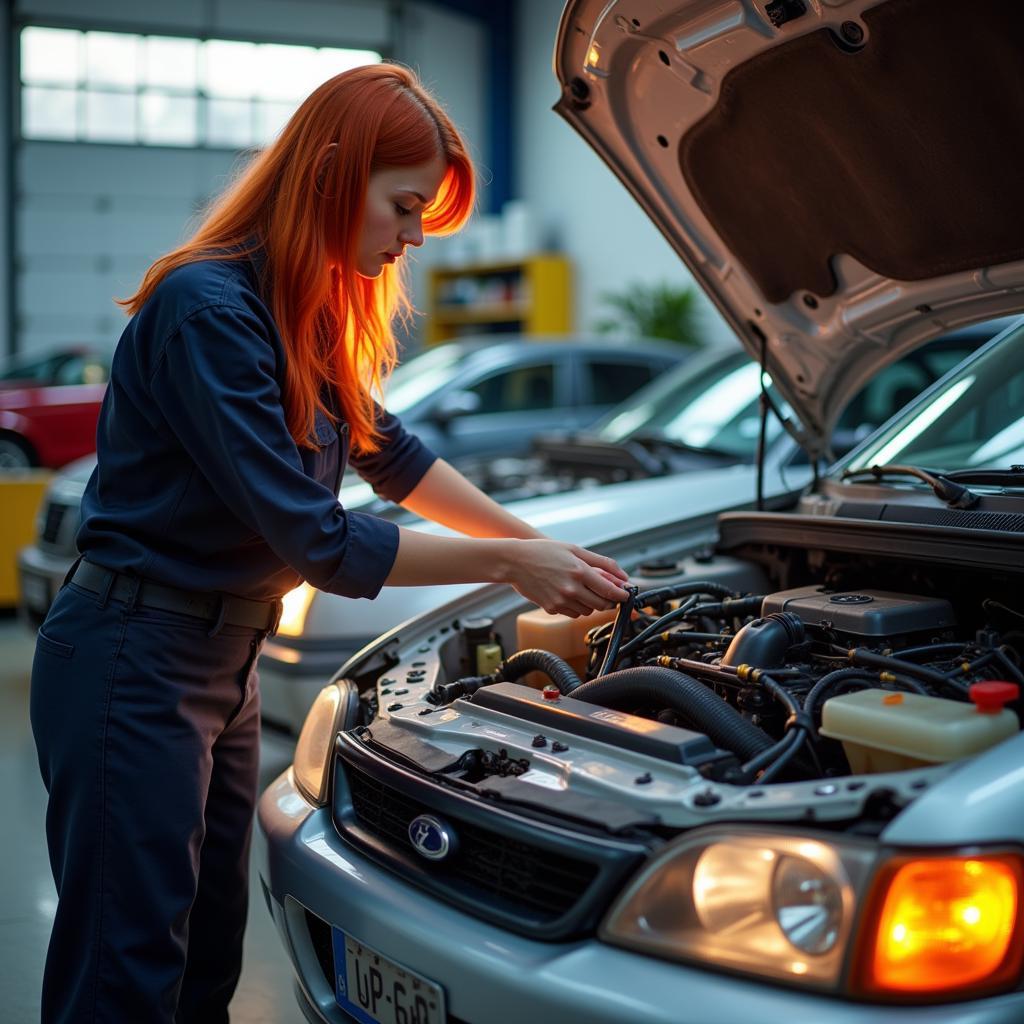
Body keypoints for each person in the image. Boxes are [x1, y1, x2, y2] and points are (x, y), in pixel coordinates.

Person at [28, 63, 628, 1023]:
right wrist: (510, 564)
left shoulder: (298, 318)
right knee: (125, 976)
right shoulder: (208, 310)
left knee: (204, 965)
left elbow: (398, 460)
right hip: (132, 661)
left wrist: (547, 548)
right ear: (332, 176)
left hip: (224, 664)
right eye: (404, 205)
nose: (414, 237)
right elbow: (319, 542)